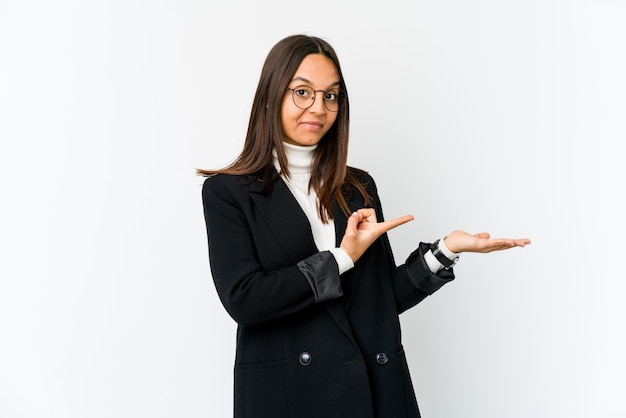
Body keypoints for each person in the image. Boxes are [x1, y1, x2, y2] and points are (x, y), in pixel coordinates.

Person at [198, 34, 530, 418]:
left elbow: (380, 301)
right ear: (271, 96)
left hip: (374, 391)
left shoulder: (357, 186)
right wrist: (342, 258)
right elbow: (245, 299)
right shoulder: (228, 192)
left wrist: (445, 251)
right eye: (302, 92)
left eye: (331, 95)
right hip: (290, 396)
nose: (319, 108)